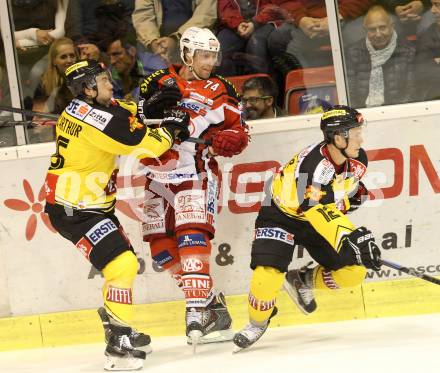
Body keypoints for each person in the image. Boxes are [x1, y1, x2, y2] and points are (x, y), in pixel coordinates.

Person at [43, 59, 190, 370]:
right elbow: (144, 145)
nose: (110, 83)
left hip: (92, 204)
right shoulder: (95, 121)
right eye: (104, 79)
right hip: (76, 210)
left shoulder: (88, 107)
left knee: (120, 263)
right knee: (121, 264)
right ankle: (117, 345)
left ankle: (116, 325)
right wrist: (172, 130)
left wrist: (145, 106)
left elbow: (122, 111)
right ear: (87, 88)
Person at [233, 105, 382, 351]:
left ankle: (303, 280)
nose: (361, 138)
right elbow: (314, 208)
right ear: (337, 138)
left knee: (354, 272)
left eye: (359, 132)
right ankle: (257, 323)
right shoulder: (311, 167)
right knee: (266, 276)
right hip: (281, 213)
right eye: (355, 133)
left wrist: (351, 197)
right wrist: (349, 236)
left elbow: (335, 195)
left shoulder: (358, 160)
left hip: (315, 214)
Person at [137, 27, 249, 349]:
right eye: (204, 55)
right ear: (187, 54)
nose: (210, 61)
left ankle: (195, 309)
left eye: (213, 55)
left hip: (195, 171)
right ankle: (214, 306)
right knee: (160, 251)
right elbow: (138, 120)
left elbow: (239, 131)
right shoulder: (157, 81)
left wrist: (229, 140)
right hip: (157, 174)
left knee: (191, 238)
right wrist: (153, 108)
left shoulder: (222, 89)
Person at [345, 5, 416, 108]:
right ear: (365, 30)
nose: (378, 34)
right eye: (372, 29)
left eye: (382, 27)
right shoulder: (354, 53)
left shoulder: (408, 50)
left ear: (391, 26)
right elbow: (350, 95)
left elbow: (412, 91)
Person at [132, 0, 217, 64]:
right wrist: (153, 42)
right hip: (158, 42)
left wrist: (176, 39)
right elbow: (143, 16)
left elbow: (205, 15)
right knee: (142, 44)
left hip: (193, 39)